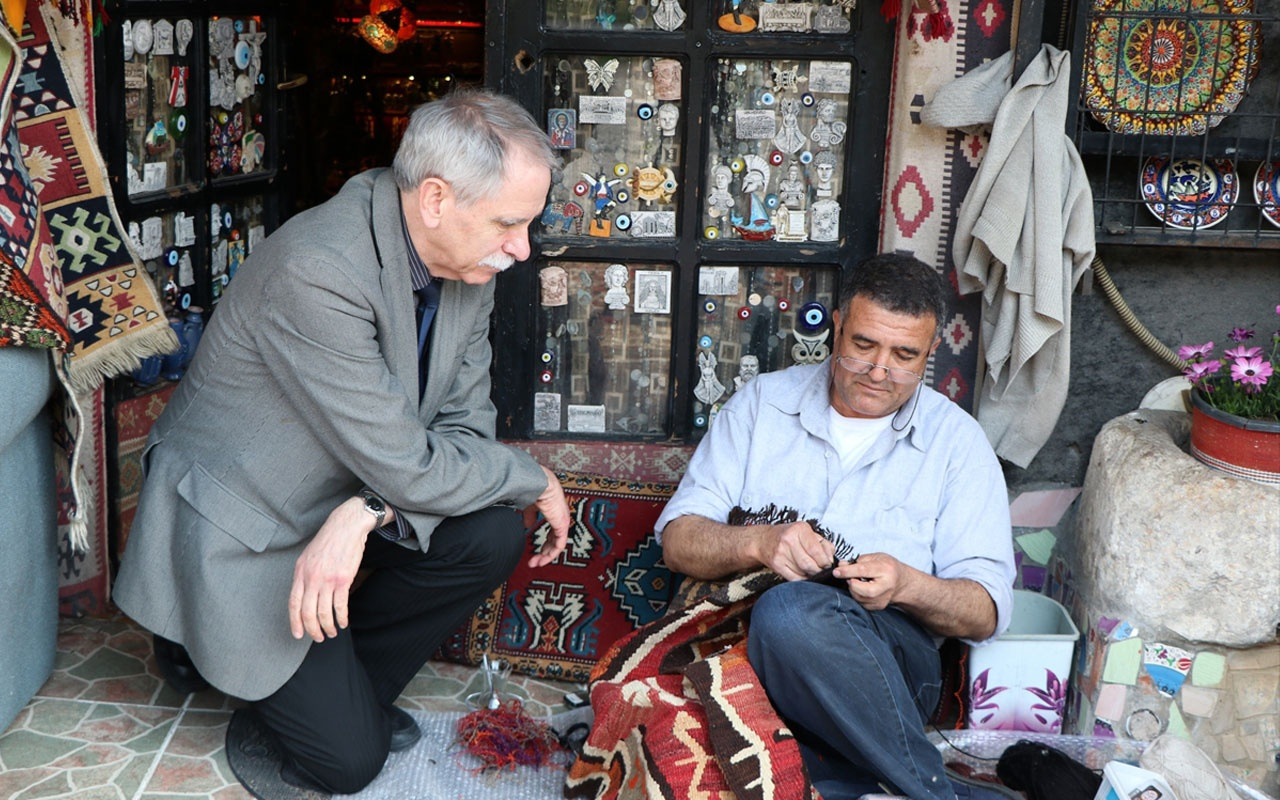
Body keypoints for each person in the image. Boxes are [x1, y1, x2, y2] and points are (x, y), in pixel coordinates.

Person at [113, 90, 573, 795]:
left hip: (338, 490)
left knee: (487, 536)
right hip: (244, 524)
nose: (522, 248)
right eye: (510, 223)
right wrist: (532, 477)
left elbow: (462, 433)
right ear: (435, 200)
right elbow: (419, 468)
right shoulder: (319, 267)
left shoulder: (467, 268)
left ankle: (334, 690)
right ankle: (211, 648)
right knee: (348, 763)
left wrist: (365, 511)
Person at [654, 252, 1016, 800]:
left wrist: (906, 584)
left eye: (904, 356)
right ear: (837, 325)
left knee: (792, 612)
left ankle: (930, 793)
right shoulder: (762, 406)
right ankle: (872, 783)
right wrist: (760, 541)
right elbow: (678, 541)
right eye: (864, 346)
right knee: (692, 752)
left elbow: (987, 611)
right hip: (747, 658)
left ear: (931, 352)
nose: (878, 372)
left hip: (886, 666)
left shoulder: (957, 444)